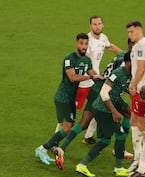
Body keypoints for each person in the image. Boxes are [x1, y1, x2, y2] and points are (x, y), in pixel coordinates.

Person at [53, 40, 135, 170]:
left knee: (127, 113)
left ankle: (119, 148)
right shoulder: (127, 60)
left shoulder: (123, 55)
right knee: (85, 123)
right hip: (103, 90)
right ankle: (62, 149)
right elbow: (117, 79)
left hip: (103, 89)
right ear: (131, 46)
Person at [35, 33, 104, 165]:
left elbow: (93, 74)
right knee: (67, 127)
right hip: (62, 97)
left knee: (67, 126)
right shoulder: (69, 59)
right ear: (76, 44)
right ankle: (42, 149)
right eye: (81, 44)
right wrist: (91, 78)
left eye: (86, 44)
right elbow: (72, 77)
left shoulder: (87, 60)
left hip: (71, 98)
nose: (84, 47)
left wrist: (103, 80)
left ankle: (51, 147)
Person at [75, 52, 133, 177]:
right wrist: (114, 112)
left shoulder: (130, 74)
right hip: (103, 109)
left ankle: (82, 165)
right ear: (128, 62)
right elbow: (104, 93)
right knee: (121, 135)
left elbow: (121, 87)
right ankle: (118, 168)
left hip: (105, 108)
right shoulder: (118, 73)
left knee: (106, 140)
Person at [78, 15, 122, 145]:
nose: (97, 26)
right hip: (84, 82)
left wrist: (125, 54)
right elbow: (83, 62)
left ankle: (88, 135)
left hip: (95, 81)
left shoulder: (103, 38)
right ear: (90, 26)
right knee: (73, 115)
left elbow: (110, 46)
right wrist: (93, 75)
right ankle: (58, 139)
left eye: (99, 24)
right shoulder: (87, 41)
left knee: (99, 107)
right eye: (94, 24)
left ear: (102, 25)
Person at [125, 20, 145, 174]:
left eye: (131, 32)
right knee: (134, 122)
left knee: (143, 126)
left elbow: (141, 69)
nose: (129, 35)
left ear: (139, 30)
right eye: (128, 33)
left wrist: (133, 84)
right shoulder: (139, 46)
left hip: (142, 91)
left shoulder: (142, 46)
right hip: (139, 90)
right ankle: (138, 157)